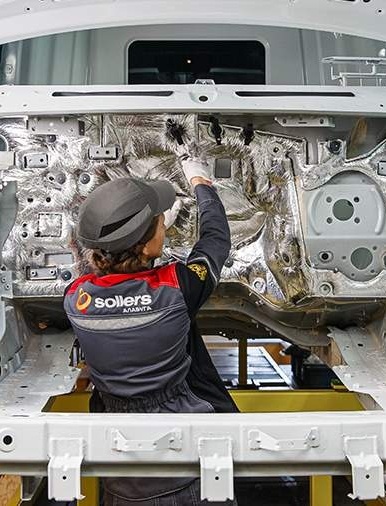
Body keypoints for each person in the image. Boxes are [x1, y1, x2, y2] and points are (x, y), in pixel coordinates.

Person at [63, 156, 238, 505]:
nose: (164, 226)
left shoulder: (76, 299)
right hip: (186, 465)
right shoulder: (176, 288)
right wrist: (201, 183)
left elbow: (101, 275)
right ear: (145, 246)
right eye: (160, 223)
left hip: (121, 468)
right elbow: (215, 240)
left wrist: (141, 240)